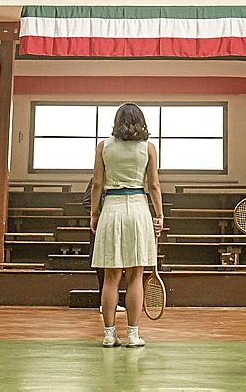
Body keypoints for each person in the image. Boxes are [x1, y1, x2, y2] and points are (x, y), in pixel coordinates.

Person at [91, 103, 163, 348]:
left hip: (111, 208)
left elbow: (97, 184)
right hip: (139, 209)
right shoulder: (148, 148)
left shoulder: (103, 146)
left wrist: (94, 213)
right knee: (136, 275)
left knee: (111, 276)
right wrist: (160, 215)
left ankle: (109, 334)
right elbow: (154, 185)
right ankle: (133, 335)